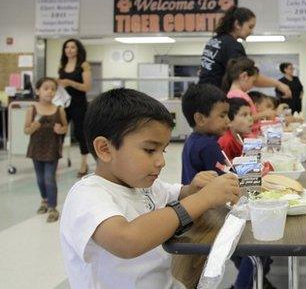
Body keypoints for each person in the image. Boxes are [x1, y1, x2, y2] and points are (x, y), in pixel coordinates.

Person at [59, 88, 240, 289]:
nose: (161, 161)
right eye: (149, 150)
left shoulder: (140, 184)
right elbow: (126, 240)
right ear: (105, 148)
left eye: (162, 150)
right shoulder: (88, 195)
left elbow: (175, 192)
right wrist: (202, 199)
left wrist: (194, 188)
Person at [198, 6, 292, 99]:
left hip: (202, 94)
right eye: (250, 27)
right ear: (237, 24)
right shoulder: (232, 45)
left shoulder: (214, 41)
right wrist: (278, 84)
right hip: (214, 98)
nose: (251, 31)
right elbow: (250, 76)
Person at [24, 77, 68, 223]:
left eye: (53, 89)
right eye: (46, 88)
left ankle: (53, 207)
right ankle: (44, 200)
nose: (50, 91)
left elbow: (65, 127)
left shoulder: (59, 109)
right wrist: (33, 127)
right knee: (40, 178)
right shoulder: (32, 109)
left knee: (49, 178)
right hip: (36, 149)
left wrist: (60, 130)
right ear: (38, 91)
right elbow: (26, 130)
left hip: (52, 149)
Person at [181, 83, 230, 184]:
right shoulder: (208, 145)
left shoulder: (191, 141)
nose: (228, 120)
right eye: (222, 116)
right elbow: (226, 176)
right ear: (200, 119)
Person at [58, 38, 92, 177]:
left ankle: (84, 164)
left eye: (72, 47)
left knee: (80, 133)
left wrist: (70, 82)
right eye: (67, 47)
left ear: (78, 49)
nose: (69, 49)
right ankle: (55, 163)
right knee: (59, 132)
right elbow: (61, 85)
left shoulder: (83, 65)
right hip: (63, 103)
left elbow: (87, 86)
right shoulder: (62, 65)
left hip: (79, 104)